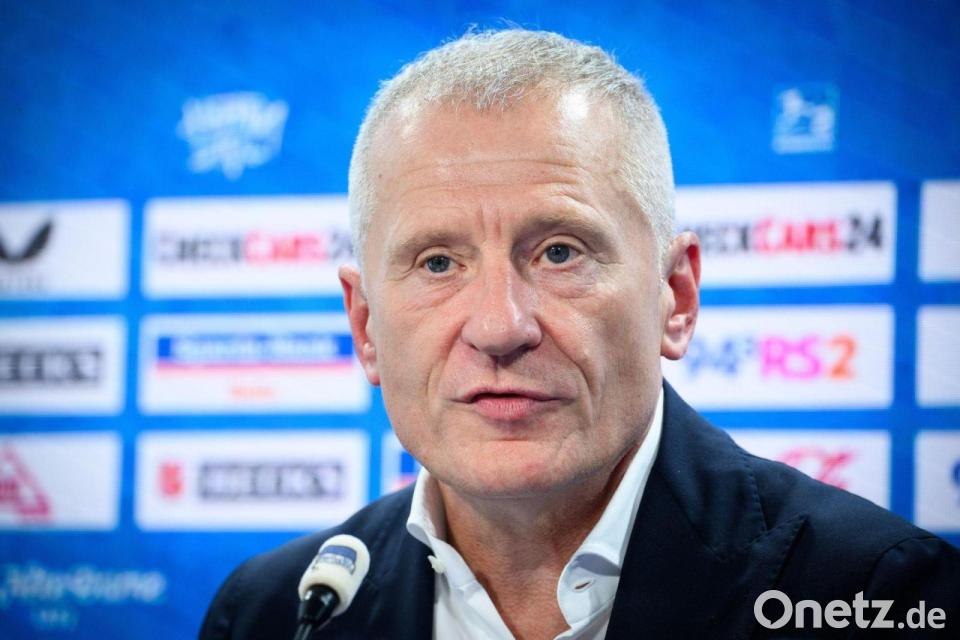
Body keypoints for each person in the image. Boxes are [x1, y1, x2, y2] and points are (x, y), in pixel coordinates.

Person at [199, 29, 959, 639]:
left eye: (560, 253)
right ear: (366, 327)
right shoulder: (272, 614)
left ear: (675, 297)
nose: (499, 327)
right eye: (438, 263)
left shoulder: (879, 594)